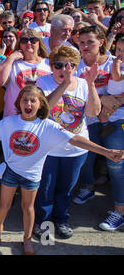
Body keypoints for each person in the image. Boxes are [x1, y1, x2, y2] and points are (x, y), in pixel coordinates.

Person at [0, 85, 122, 255]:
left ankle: (27, 239)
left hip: (32, 176)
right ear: (18, 102)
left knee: (28, 208)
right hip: (11, 172)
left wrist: (106, 152)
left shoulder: (48, 126)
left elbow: (75, 139)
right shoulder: (9, 122)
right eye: (24, 100)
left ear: (41, 104)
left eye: (33, 100)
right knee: (4, 204)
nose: (28, 103)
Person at [34, 46, 101, 239]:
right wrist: (64, 85)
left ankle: (61, 219)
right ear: (51, 66)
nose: (64, 69)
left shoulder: (83, 83)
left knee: (66, 189)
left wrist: (91, 85)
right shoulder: (43, 81)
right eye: (59, 65)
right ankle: (43, 223)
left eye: (69, 65)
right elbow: (43, 111)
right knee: (46, 189)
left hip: (76, 149)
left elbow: (93, 112)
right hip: (49, 149)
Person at [73, 26, 119, 205]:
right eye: (82, 42)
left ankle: (119, 204)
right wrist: (101, 99)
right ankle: (88, 187)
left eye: (90, 42)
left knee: (115, 162)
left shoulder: (115, 62)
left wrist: (115, 100)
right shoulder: (76, 66)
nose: (85, 46)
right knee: (85, 156)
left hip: (115, 119)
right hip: (89, 119)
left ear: (101, 42)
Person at [97, 36, 124, 231]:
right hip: (115, 122)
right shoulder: (114, 66)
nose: (121, 54)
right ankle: (120, 210)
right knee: (115, 164)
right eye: (119, 50)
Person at [0, 28, 51, 117]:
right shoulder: (12, 63)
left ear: (39, 43)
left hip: (41, 118)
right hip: (14, 118)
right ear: (19, 44)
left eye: (33, 40)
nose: (28, 43)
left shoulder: (49, 64)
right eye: (24, 40)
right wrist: (11, 58)